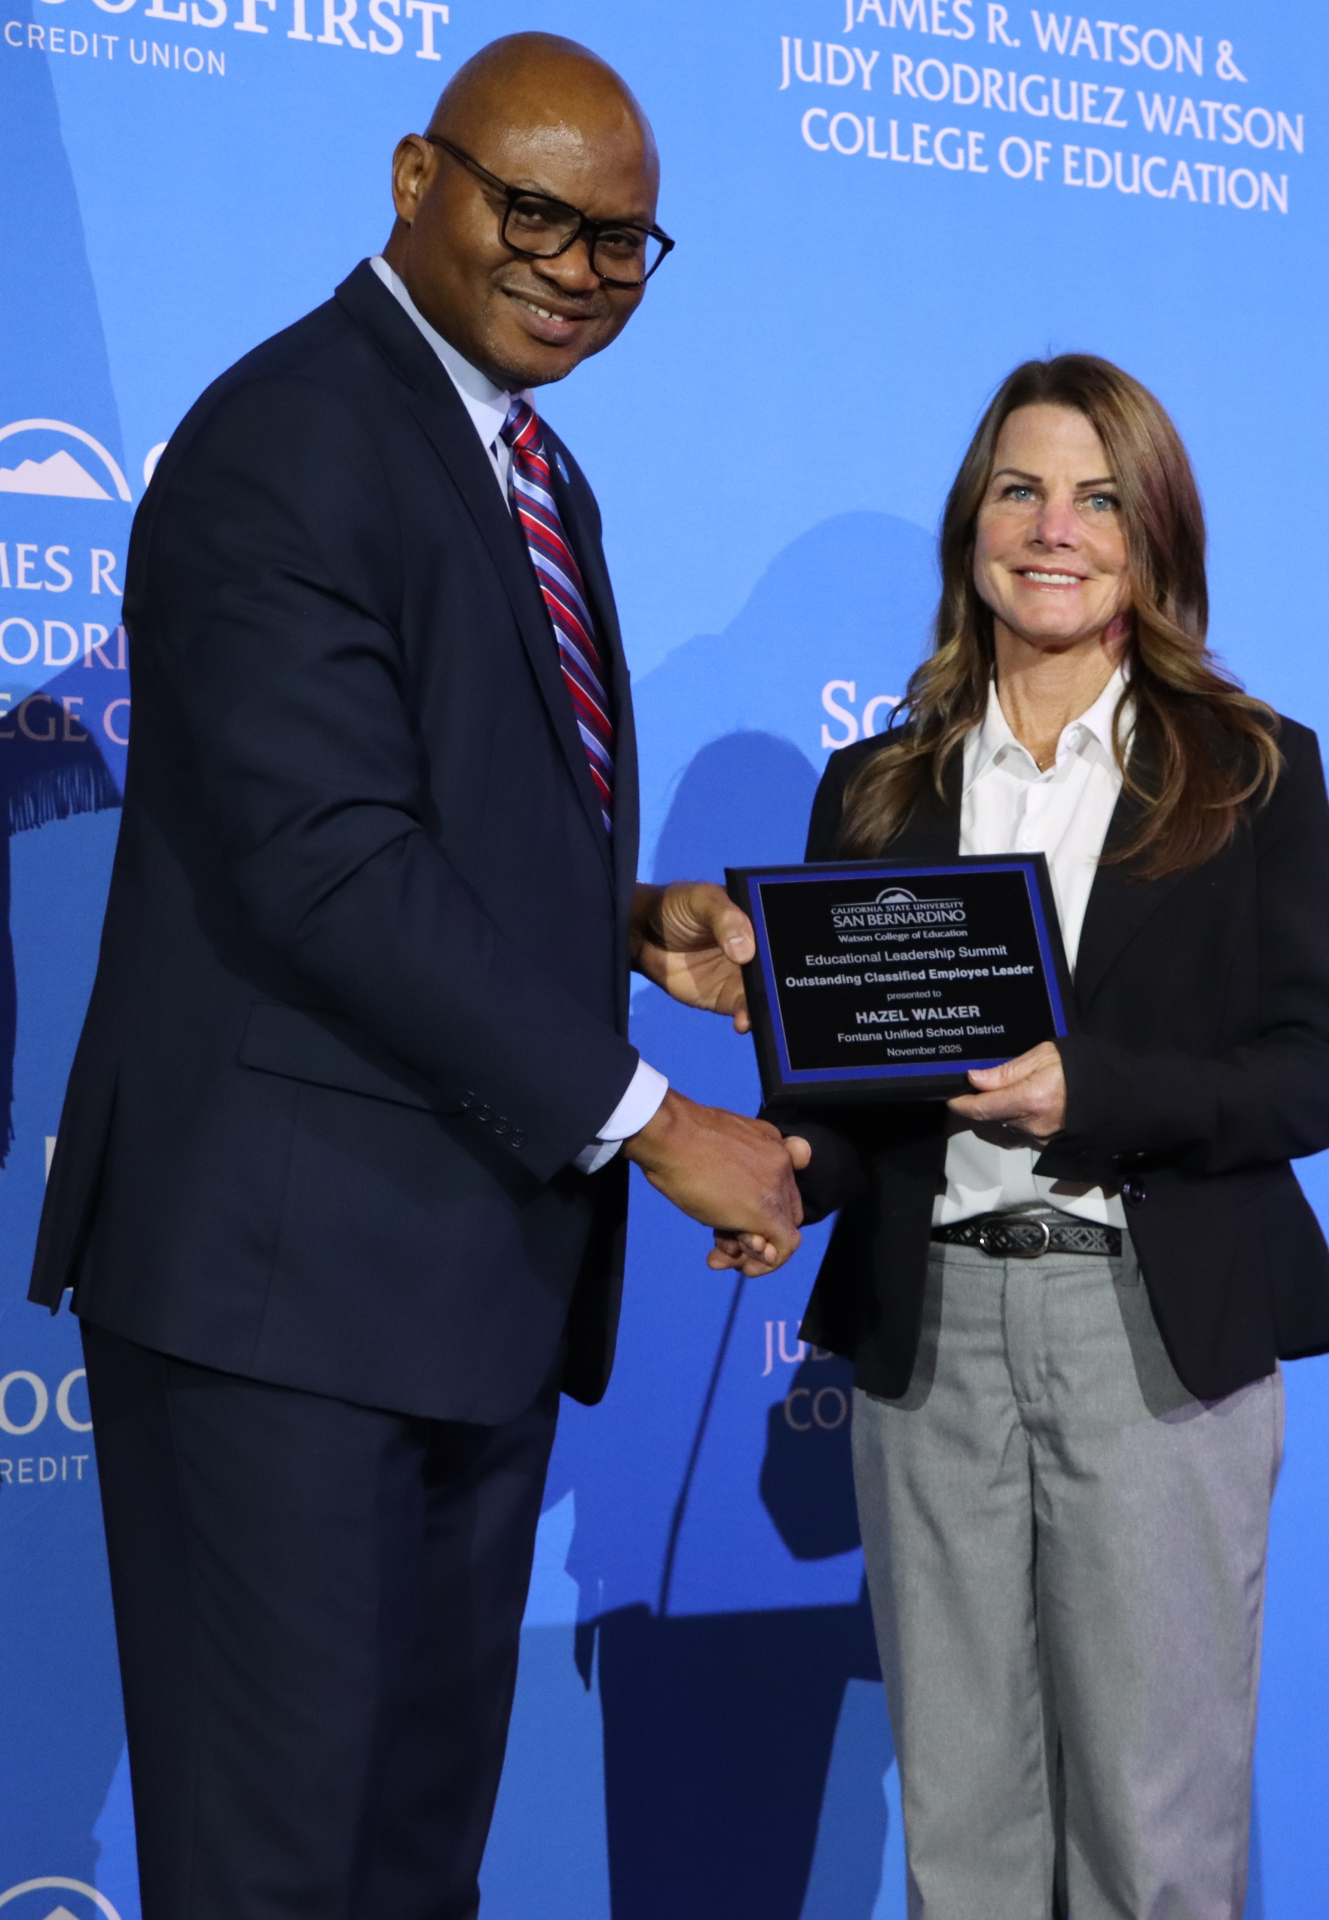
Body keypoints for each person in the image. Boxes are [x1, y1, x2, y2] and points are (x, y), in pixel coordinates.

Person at [29, 34, 807, 1920]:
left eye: (619, 241)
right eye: (532, 212)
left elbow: (408, 806)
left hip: (463, 1289)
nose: (575, 269)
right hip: (284, 1298)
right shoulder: (293, 434)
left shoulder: (530, 464)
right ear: (413, 178)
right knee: (279, 1874)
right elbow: (324, 866)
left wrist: (618, 917)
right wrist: (656, 1123)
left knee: (407, 1875)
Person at [712, 355, 1329, 1918]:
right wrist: (781, 1175)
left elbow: (1324, 1072)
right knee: (962, 1836)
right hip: (928, 1338)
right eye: (1018, 490)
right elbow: (841, 1102)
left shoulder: (1249, 770)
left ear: (1154, 535)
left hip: (1147, 1329)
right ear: (972, 526)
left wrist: (1099, 1093)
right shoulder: (874, 788)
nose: (1052, 529)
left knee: (1155, 1840)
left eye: (1096, 498)